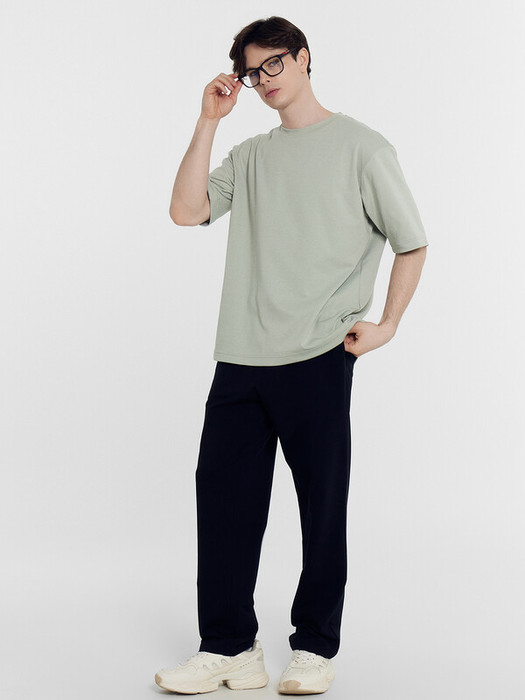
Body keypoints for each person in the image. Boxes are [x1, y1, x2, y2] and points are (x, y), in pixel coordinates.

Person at [155, 15, 428, 696]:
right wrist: (208, 121)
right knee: (223, 505)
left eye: (272, 64)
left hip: (319, 352)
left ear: (303, 58)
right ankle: (228, 648)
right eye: (252, 73)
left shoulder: (362, 147)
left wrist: (388, 323)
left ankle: (313, 647)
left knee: (321, 507)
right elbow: (185, 212)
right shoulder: (250, 155)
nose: (263, 80)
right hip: (242, 356)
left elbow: (412, 241)